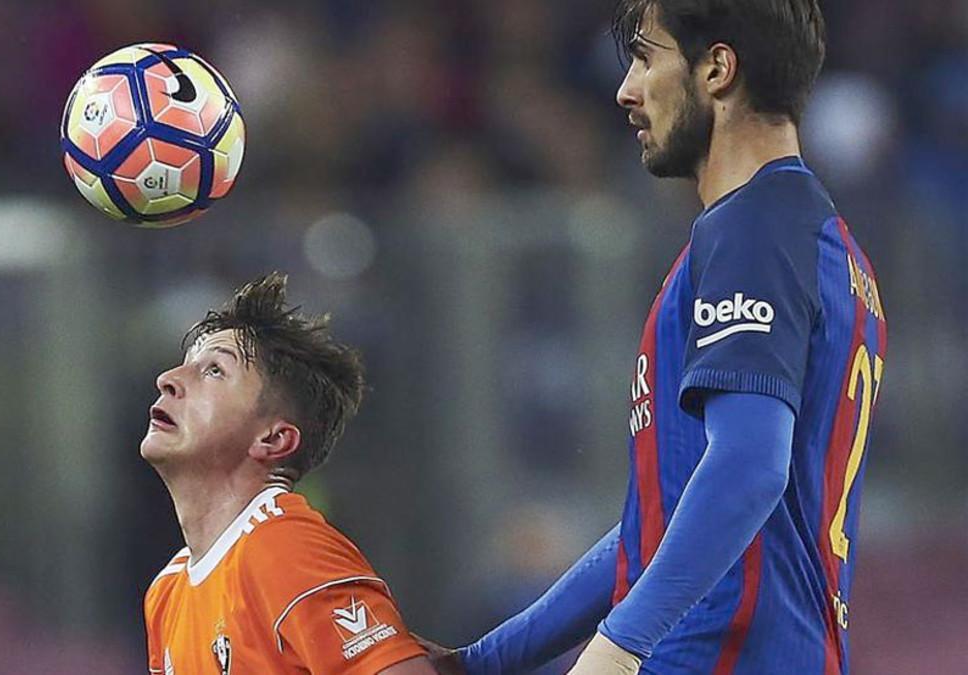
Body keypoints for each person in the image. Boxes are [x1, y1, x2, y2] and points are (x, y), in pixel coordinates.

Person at [424, 1, 887, 673]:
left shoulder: (752, 231)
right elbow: (661, 528)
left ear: (717, 70)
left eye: (646, 57)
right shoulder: (829, 248)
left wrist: (617, 647)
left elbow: (750, 467)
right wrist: (479, 662)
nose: (626, 90)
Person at [141, 272, 436, 675]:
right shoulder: (166, 592)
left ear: (273, 439)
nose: (168, 380)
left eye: (214, 371)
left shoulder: (282, 548)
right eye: (186, 365)